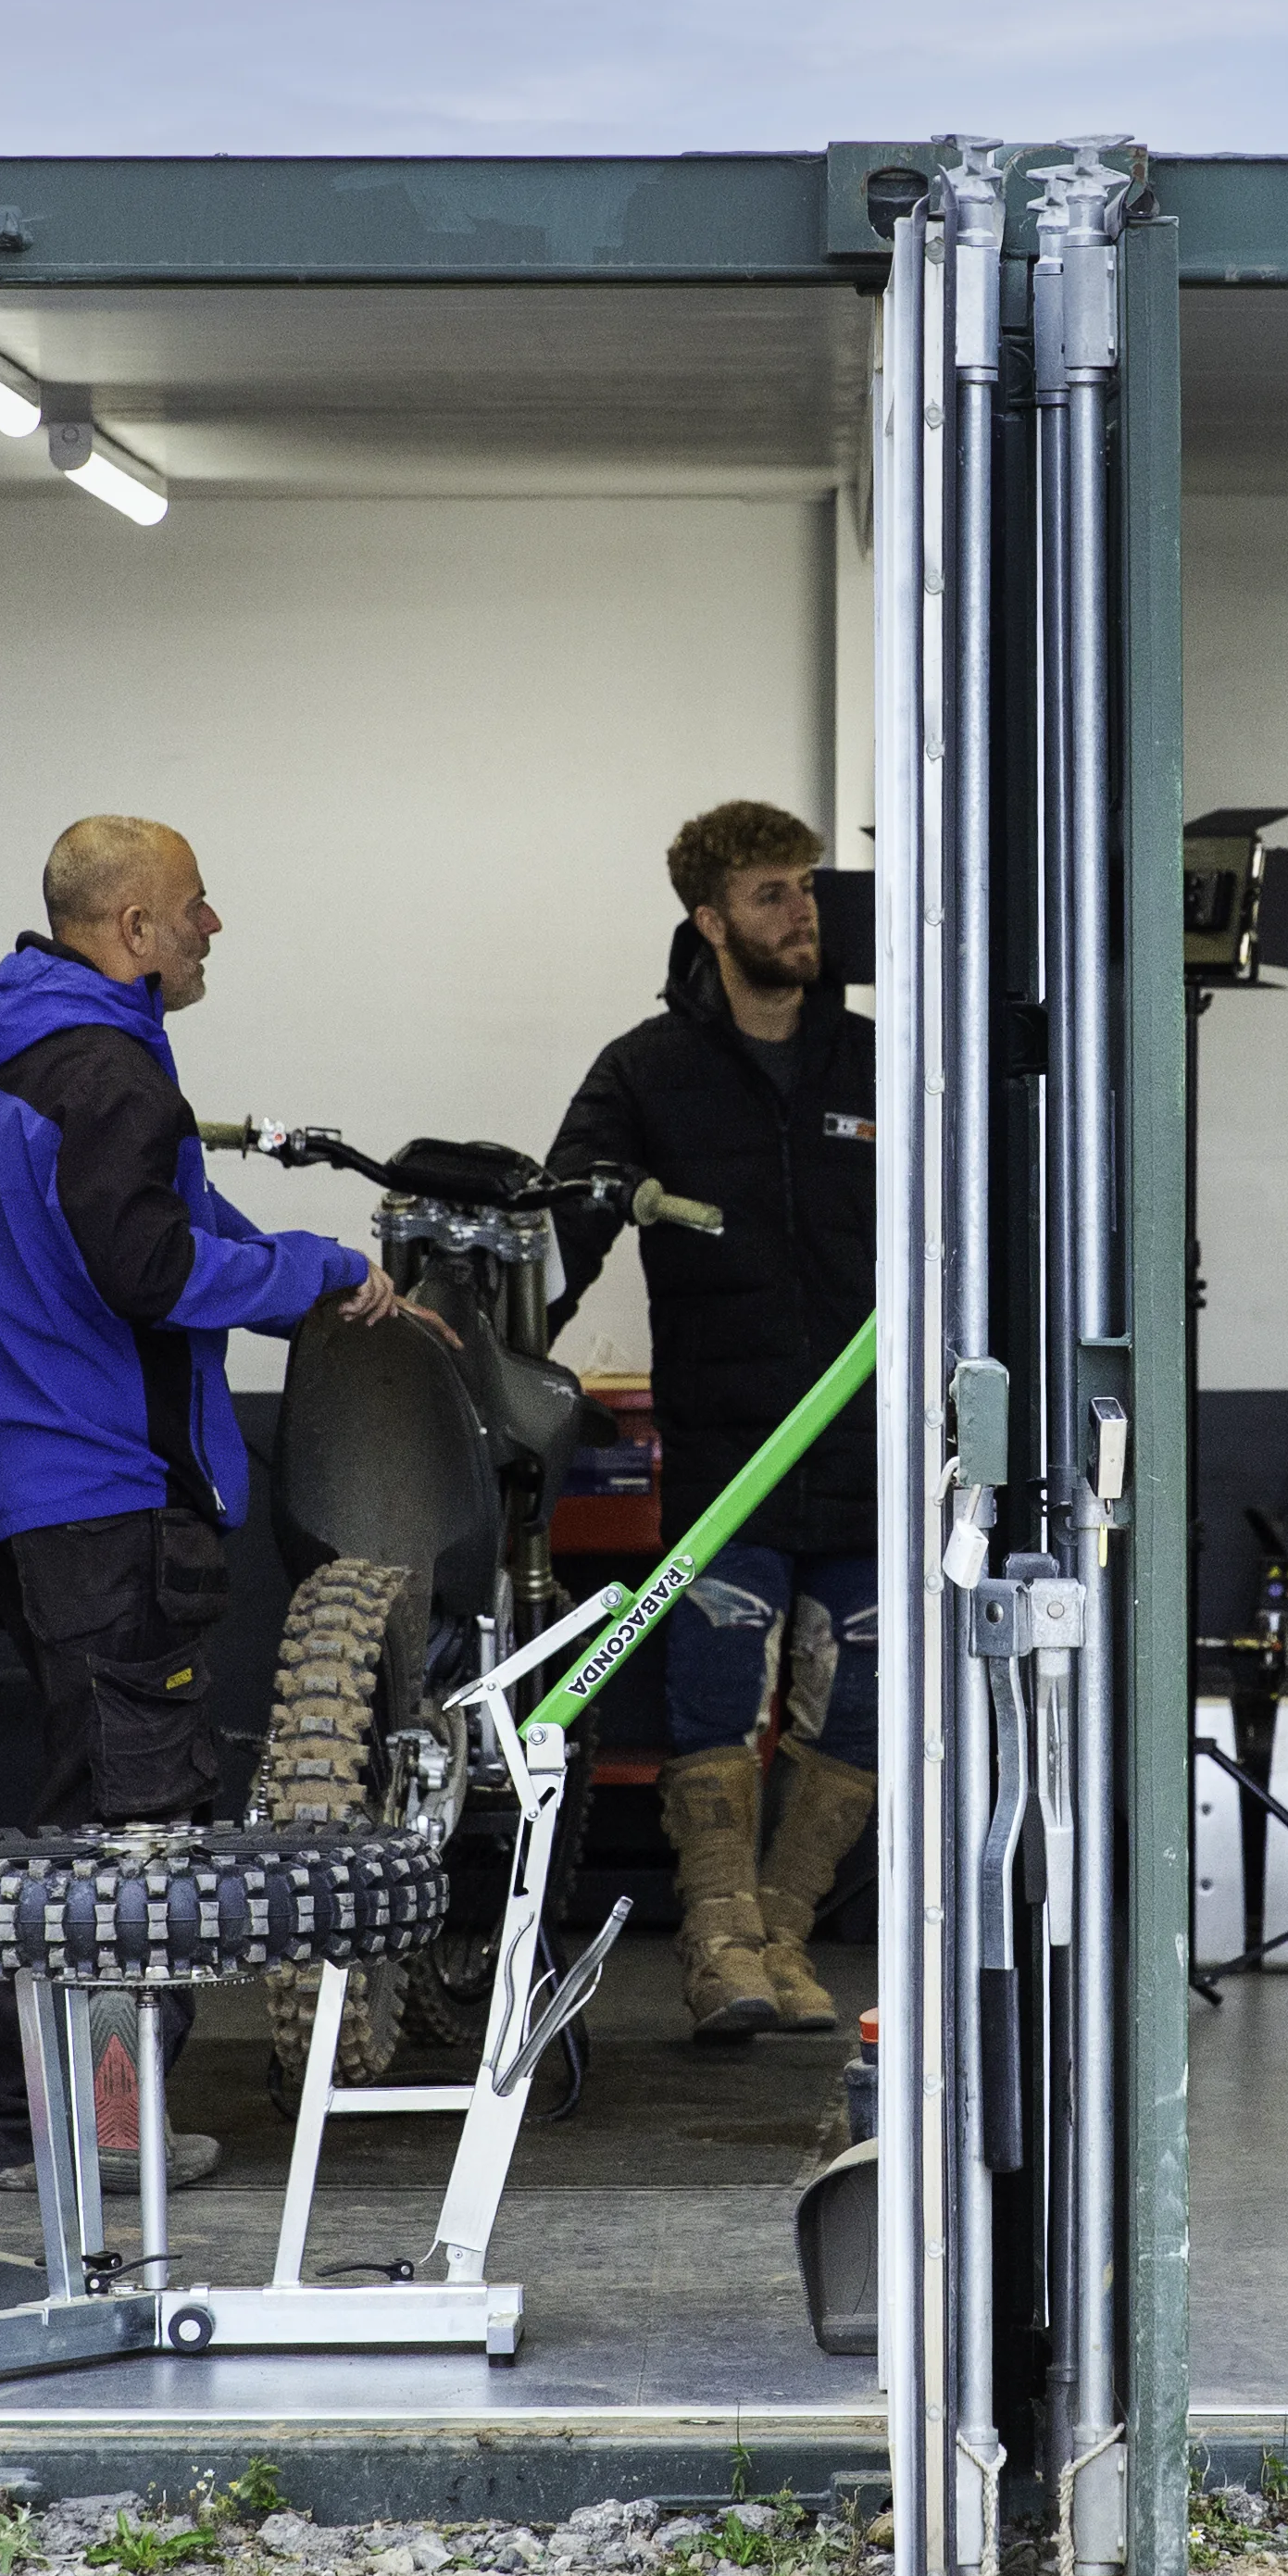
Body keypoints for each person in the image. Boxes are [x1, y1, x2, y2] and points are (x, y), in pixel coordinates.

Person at [0, 814, 406, 2184]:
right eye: (196, 906)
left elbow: (175, 1224)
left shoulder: (30, 1053)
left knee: (91, 1811)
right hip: (106, 1503)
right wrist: (312, 1278)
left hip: (28, 1498)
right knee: (139, 1834)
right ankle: (71, 2138)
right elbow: (145, 1269)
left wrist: (309, 1262)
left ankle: (49, 2124)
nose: (215, 927)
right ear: (132, 930)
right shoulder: (110, 1074)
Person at [547, 799, 882, 2041]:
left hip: (867, 1460)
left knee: (853, 1711)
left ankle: (785, 1944)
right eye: (769, 895)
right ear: (709, 920)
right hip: (728, 1458)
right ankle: (717, 1949)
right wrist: (494, 1362)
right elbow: (567, 1227)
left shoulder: (882, 1062)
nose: (800, 913)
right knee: (710, 1702)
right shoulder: (647, 1070)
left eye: (807, 888)